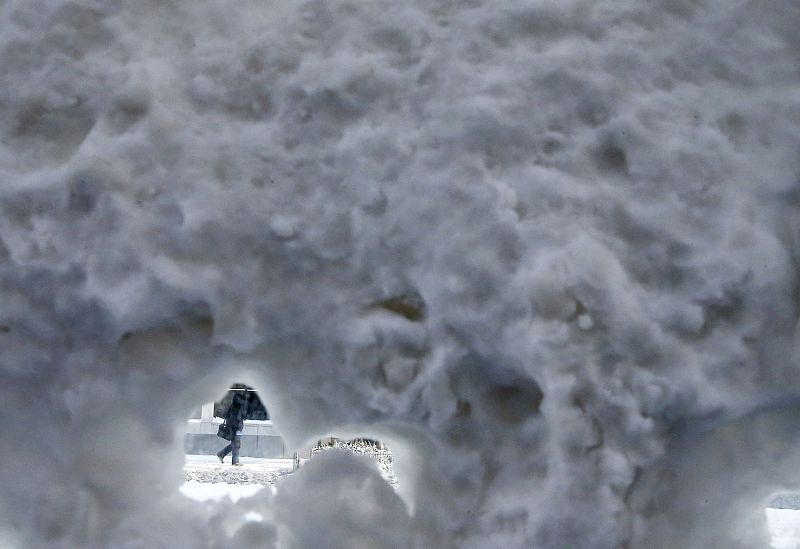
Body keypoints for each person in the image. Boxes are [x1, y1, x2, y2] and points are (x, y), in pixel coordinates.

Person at [216, 391, 246, 466]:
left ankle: (222, 454)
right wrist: (238, 428)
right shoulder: (237, 409)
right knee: (236, 445)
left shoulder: (234, 407)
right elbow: (237, 419)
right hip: (236, 429)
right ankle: (235, 461)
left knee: (235, 444)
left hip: (235, 428)